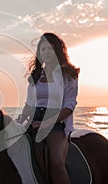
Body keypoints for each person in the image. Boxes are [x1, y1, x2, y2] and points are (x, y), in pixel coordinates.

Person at [17, 32, 79, 184]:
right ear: (39, 53)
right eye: (43, 49)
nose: (47, 52)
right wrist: (20, 118)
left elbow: (69, 106)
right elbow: (29, 104)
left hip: (56, 124)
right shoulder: (36, 75)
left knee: (56, 163)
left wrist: (47, 123)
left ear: (58, 51)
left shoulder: (68, 75)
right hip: (33, 120)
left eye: (50, 49)